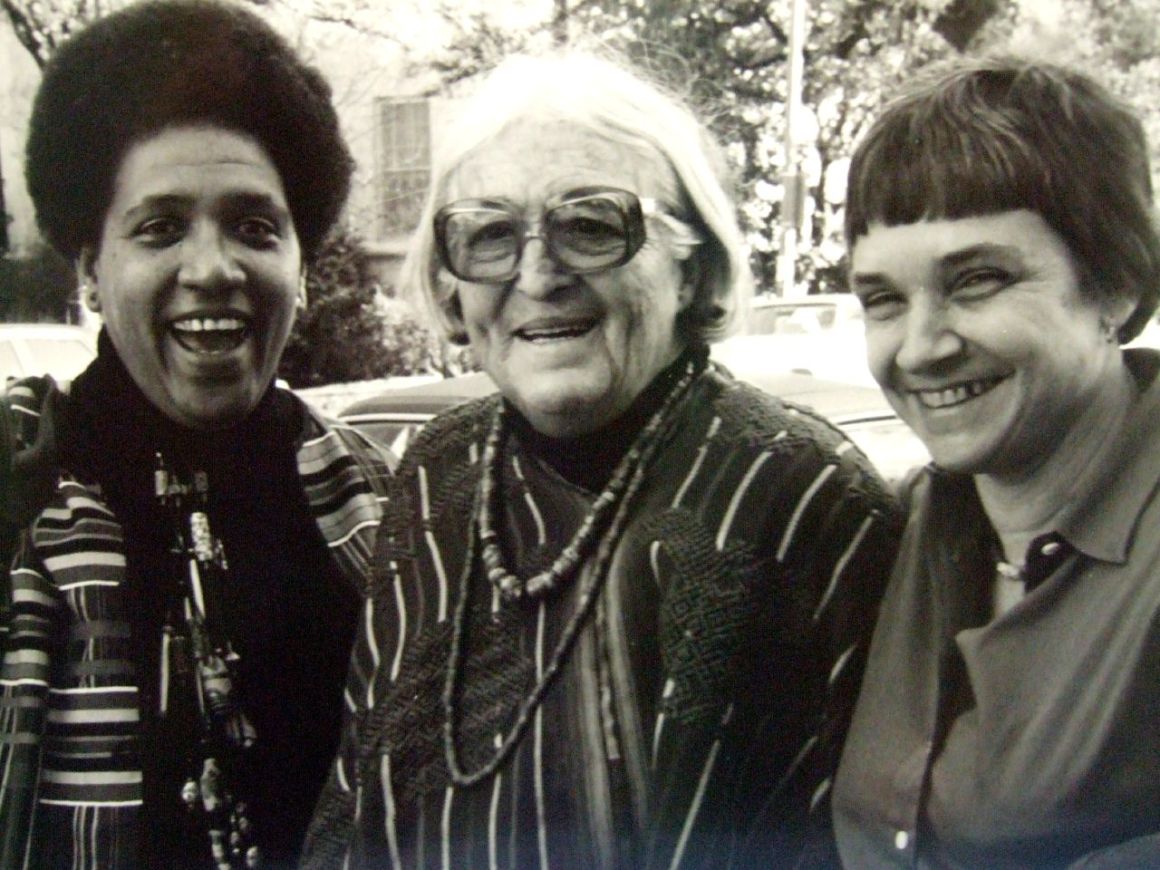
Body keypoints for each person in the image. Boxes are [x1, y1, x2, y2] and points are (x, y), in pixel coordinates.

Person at [304, 51, 900, 869]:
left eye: (591, 225)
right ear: (451, 287)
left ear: (693, 266)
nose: (539, 276)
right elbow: (356, 801)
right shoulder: (435, 470)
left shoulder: (802, 494)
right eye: (490, 235)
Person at [0, 1, 394, 866]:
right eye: (159, 227)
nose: (212, 270)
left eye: (256, 228)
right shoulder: (16, 490)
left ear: (302, 261)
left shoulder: (392, 511)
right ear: (90, 269)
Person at [832, 56, 1160, 867]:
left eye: (976, 281)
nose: (920, 346)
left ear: (1116, 285)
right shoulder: (904, 525)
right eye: (883, 300)